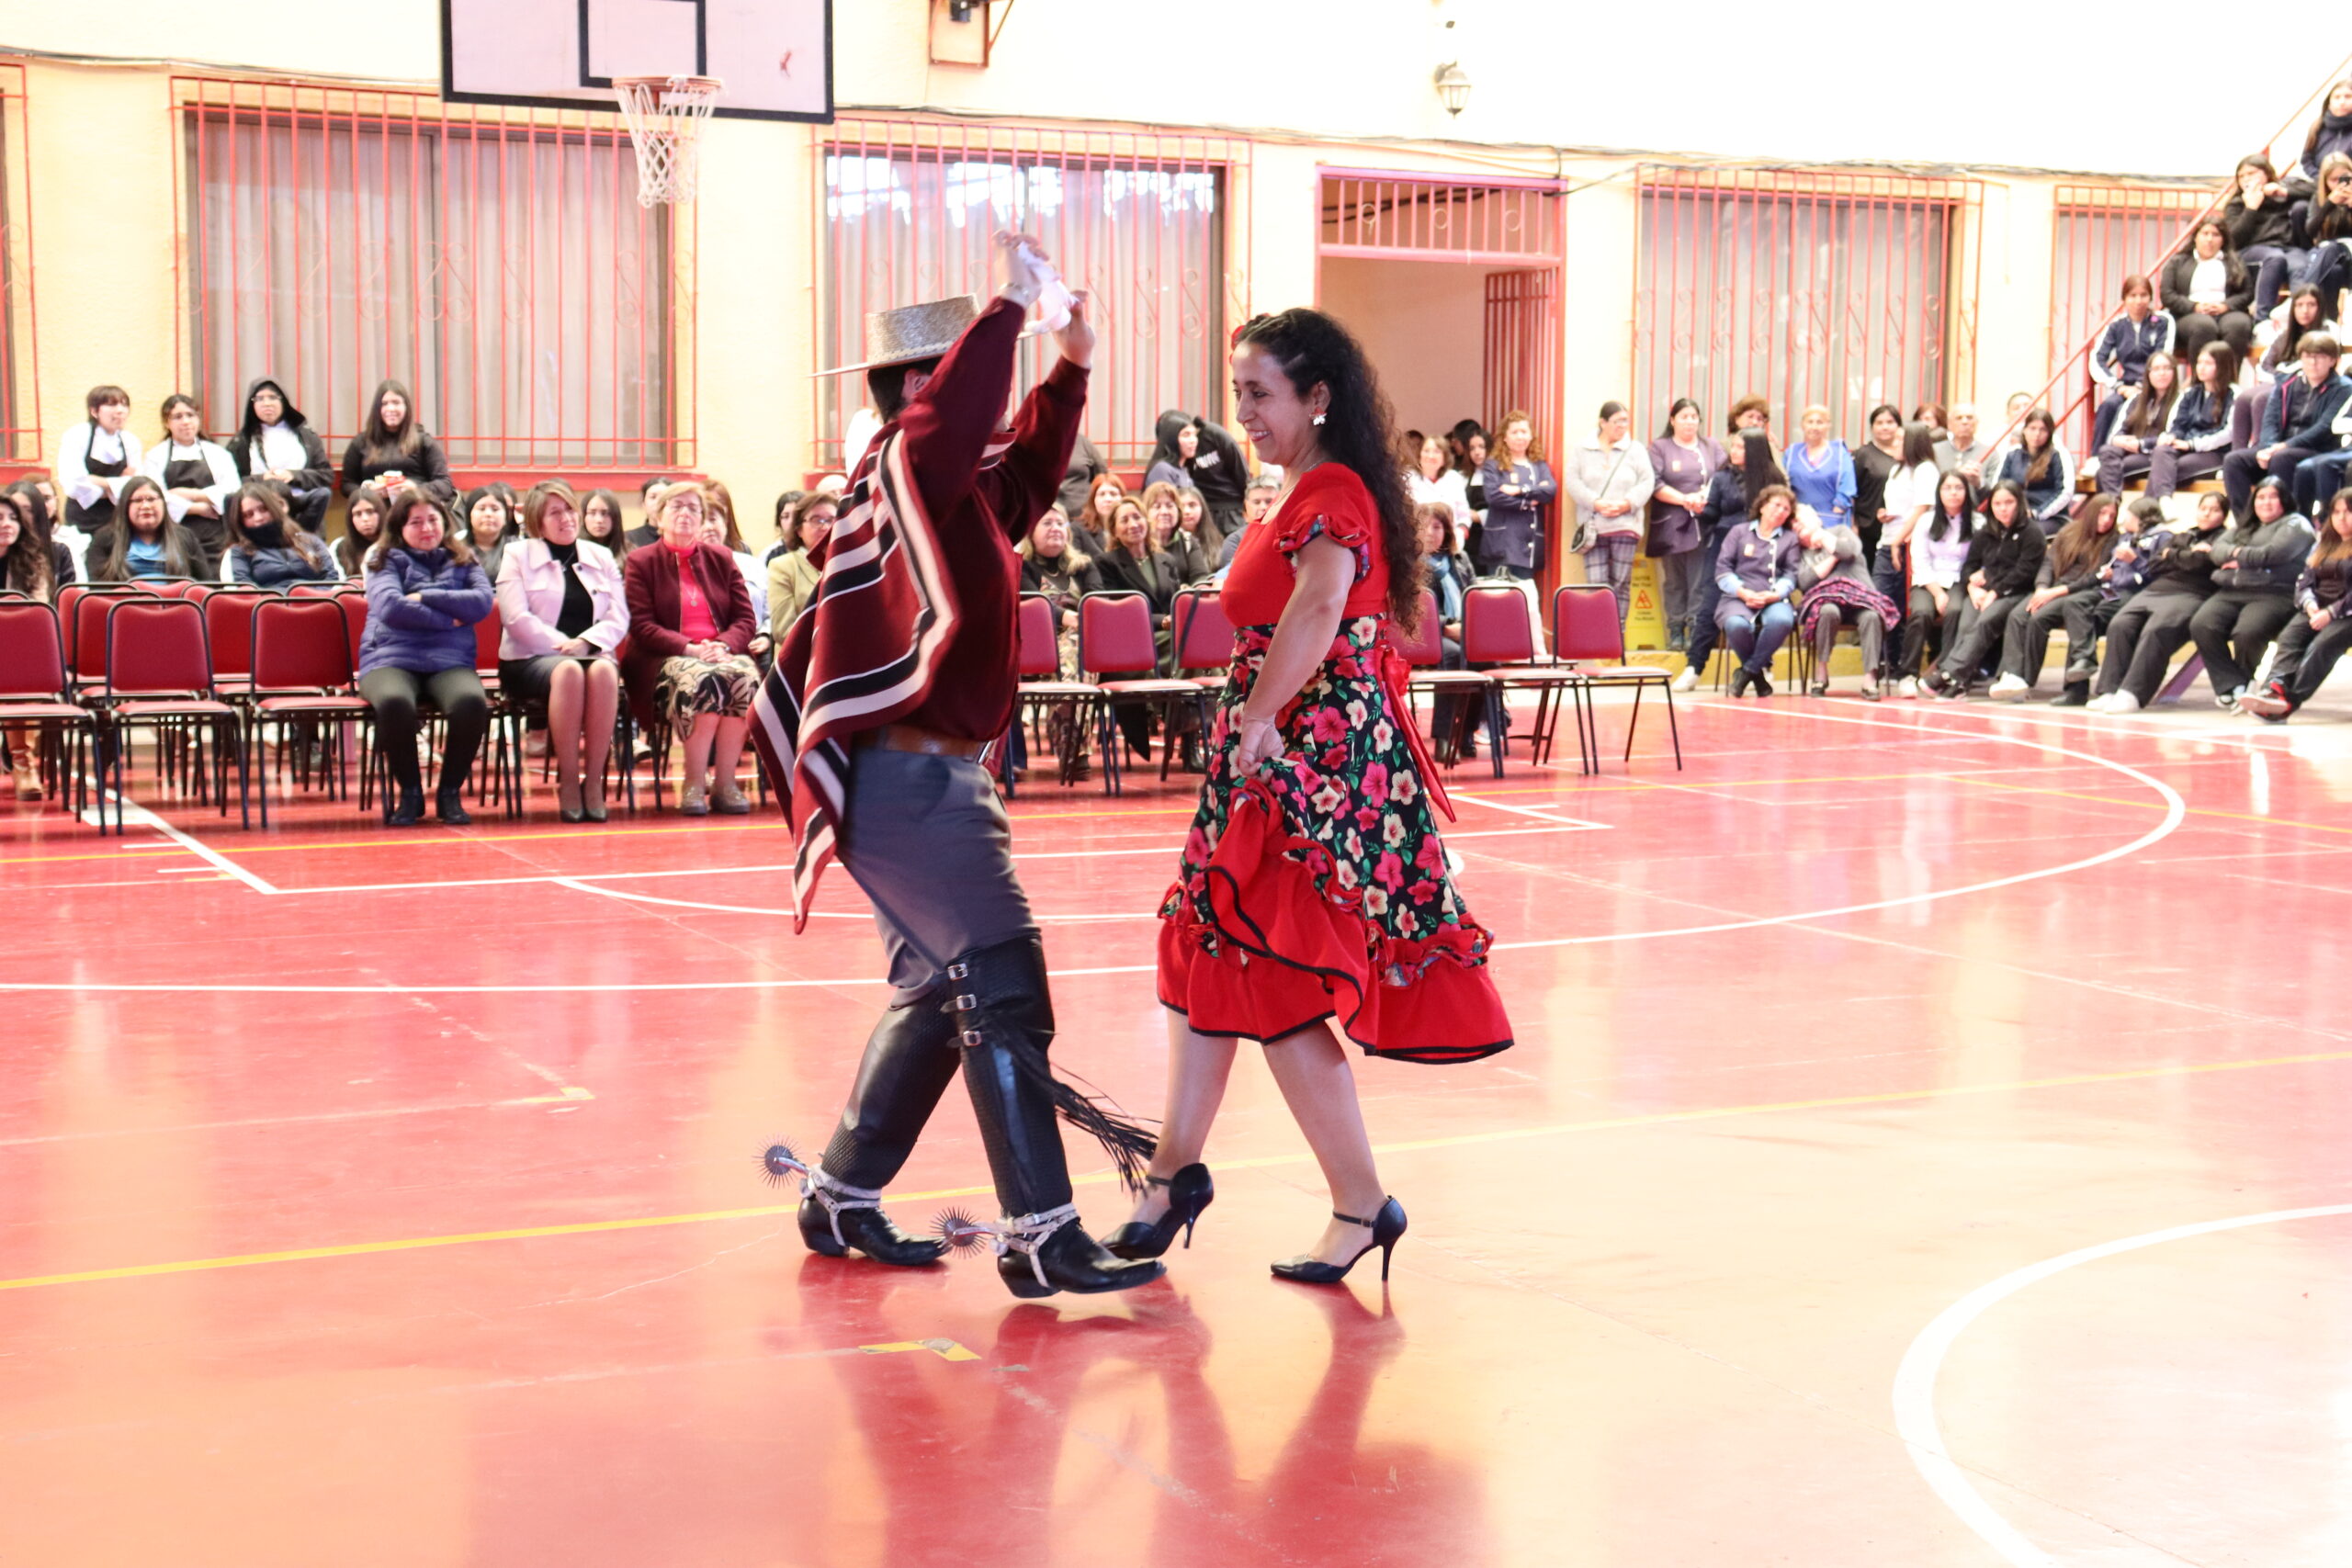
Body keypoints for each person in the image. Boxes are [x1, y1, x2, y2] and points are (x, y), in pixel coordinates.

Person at [754, 237, 1163, 1299]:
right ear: (919, 392)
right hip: (910, 781)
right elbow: (955, 419)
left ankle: (840, 1196)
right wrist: (1010, 309)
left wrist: (1073, 361)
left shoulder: (959, 492)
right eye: (963, 377)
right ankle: (1041, 1233)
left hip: (926, 777)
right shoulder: (907, 466)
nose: (991, 399)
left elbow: (1031, 461)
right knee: (1002, 973)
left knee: (943, 990)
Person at [1115, 303, 1511, 1286]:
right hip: (1274, 750)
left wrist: (1257, 720)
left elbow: (1321, 606)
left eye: (1261, 393)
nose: (1244, 412)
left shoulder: (1330, 492)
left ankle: (1318, 1198)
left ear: (1318, 396)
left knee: (1264, 965)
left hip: (1305, 760)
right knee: (1217, 948)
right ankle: (1191, 1179)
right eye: (1239, 393)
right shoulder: (1299, 489)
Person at [620, 480, 760, 816]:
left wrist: (723, 645)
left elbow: (745, 618)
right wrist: (690, 649)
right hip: (663, 657)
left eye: (694, 508)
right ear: (659, 516)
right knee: (705, 679)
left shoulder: (721, 558)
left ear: (702, 518)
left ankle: (726, 783)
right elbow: (642, 625)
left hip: (721, 653)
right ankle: (694, 781)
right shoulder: (641, 561)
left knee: (745, 678)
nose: (685, 513)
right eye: (677, 506)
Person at [495, 480, 628, 822]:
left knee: (604, 670)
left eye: (570, 509)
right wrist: (563, 646)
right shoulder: (517, 555)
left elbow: (619, 615)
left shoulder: (600, 555)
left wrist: (587, 643)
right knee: (568, 670)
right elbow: (515, 618)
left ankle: (594, 780)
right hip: (530, 658)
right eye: (555, 513)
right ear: (537, 521)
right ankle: (568, 780)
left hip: (591, 653)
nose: (567, 518)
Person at [358, 492, 493, 825]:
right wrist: (448, 618)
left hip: (449, 659)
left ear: (445, 522)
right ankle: (410, 793)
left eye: (433, 519)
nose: (427, 528)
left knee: (471, 702)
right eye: (416, 522)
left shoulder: (464, 558)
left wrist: (424, 596)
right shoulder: (382, 558)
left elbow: (482, 602)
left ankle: (449, 793)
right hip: (389, 657)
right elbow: (391, 606)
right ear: (399, 527)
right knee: (394, 702)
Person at [2087, 491, 2231, 713]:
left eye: (2214, 510)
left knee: (2156, 630)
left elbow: (2203, 564)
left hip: (2193, 593)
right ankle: (2109, 690)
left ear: (2224, 515)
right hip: (2158, 589)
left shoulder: (2225, 539)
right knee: (2121, 623)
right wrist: (2188, 554)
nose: (2207, 514)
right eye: (2203, 508)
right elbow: (2155, 564)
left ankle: (2132, 694)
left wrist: (2172, 555)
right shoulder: (2184, 536)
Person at [2189, 477, 2315, 710]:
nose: (2266, 502)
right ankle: (2232, 685)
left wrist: (2237, 556)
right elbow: (2216, 551)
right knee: (2202, 624)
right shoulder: (2245, 526)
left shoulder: (2296, 524)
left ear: (2284, 500)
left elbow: (2273, 554)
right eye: (2261, 497)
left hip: (2274, 593)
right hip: (2232, 590)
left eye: (2272, 497)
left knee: (2247, 631)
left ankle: (2244, 681)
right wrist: (2246, 555)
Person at [1990, 492, 2120, 699]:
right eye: (2102, 513)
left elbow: (2094, 578)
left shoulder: (2113, 540)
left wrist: (2056, 592)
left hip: (2077, 592)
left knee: (2038, 618)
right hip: (2052, 588)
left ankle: (2025, 680)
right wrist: (2042, 588)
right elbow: (2048, 563)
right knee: (2017, 615)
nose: (2106, 520)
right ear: (2091, 512)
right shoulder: (2069, 531)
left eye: (2111, 516)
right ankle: (2012, 675)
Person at [1673, 413, 1769, 692]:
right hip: (1724, 546)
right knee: (1709, 606)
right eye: (1733, 446)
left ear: (1754, 451)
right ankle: (1694, 667)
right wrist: (1698, 509)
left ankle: (1760, 668)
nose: (1733, 451)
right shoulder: (1722, 477)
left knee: (1759, 606)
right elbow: (1712, 514)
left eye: (1740, 447)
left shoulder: (1770, 478)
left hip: (1759, 549)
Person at [2240, 488, 2352, 718]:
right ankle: (2273, 689)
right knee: (2289, 637)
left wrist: (2330, 613)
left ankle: (2288, 702)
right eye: (2337, 512)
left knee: (2322, 646)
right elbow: (2305, 580)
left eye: (2349, 512)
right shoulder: (2323, 542)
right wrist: (2310, 604)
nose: (2341, 518)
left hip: (2346, 614)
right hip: (2316, 608)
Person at [2222, 333, 2349, 521]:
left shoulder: (2343, 388)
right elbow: (2270, 420)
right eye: (2308, 356)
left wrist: (2284, 446)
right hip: (2278, 448)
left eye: (2320, 357)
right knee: (2234, 461)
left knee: (2282, 458)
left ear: (2332, 360)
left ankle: (2284, 521)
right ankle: (2245, 523)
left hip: (2317, 448)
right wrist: (2268, 447)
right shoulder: (2287, 384)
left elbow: (2324, 427)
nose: (2313, 362)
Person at [1017, 505, 1103, 783]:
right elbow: (1032, 602)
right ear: (1031, 532)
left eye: (1060, 523)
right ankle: (1077, 752)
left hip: (1084, 642)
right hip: (1037, 643)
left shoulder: (1084, 565)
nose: (1055, 528)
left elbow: (1096, 600)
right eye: (1047, 523)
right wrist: (1066, 617)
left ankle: (1071, 741)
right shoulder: (1023, 565)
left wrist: (1079, 621)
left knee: (1077, 649)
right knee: (1074, 657)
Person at [2048, 498, 2160, 705]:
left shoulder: (2161, 538)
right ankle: (2081, 673)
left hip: (2134, 593)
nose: (2122, 519)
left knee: (2092, 621)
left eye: (2128, 515)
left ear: (2142, 519)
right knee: (2075, 607)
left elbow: (2157, 573)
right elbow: (2113, 568)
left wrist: (2134, 560)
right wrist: (2110, 572)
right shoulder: (2125, 537)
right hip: (2110, 589)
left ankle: (2102, 685)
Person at [1792, 504, 1894, 698]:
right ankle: (1821, 671)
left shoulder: (1840, 531)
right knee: (1827, 611)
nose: (1796, 525)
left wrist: (1824, 538)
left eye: (1799, 519)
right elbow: (1804, 581)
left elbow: (1849, 551)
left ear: (1816, 519)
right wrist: (1834, 558)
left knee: (1871, 617)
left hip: (1861, 597)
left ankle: (1870, 677)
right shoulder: (1799, 553)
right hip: (1827, 600)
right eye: (1792, 523)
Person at [1645, 398, 1722, 652]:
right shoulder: (1660, 447)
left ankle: (1695, 630)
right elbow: (1654, 483)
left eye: (1693, 417)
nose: (1689, 422)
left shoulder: (1711, 446)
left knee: (1700, 579)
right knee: (1675, 580)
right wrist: (1684, 499)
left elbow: (1723, 475)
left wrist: (1703, 497)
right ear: (1672, 420)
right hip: (1671, 524)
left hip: (1703, 521)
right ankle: (1676, 629)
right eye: (1684, 417)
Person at [1560, 402, 1647, 621]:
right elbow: (1573, 481)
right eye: (1617, 421)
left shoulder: (1635, 449)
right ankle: (1599, 632)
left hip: (1625, 525)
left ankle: (1618, 633)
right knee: (1596, 584)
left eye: (1625, 420)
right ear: (1603, 423)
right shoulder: (1582, 450)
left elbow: (1647, 481)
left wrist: (1627, 503)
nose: (1623, 425)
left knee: (1621, 583)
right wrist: (1595, 503)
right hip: (1594, 527)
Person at [1713, 482, 1801, 698]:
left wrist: (1775, 594)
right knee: (1736, 625)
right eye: (1776, 505)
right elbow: (1723, 569)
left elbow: (1791, 574)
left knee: (1782, 621)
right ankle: (1759, 678)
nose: (1780, 511)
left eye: (1786, 509)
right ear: (1762, 506)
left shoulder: (1789, 539)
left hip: (1773, 597)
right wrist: (1743, 592)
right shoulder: (1739, 532)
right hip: (1738, 596)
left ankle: (1747, 672)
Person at [1896, 470, 1978, 696]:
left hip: (1959, 580)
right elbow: (1920, 562)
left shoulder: (1976, 522)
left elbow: (1976, 560)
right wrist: (1938, 593)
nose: (1953, 493)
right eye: (1947, 488)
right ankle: (1908, 673)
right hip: (1928, 581)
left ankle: (1945, 672)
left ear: (1966, 492)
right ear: (1939, 492)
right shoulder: (1926, 520)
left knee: (1955, 610)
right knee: (1921, 613)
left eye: (1958, 488)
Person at [139, 394, 238, 573]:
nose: (185, 422)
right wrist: (198, 508)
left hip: (215, 535)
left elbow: (232, 491)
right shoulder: (155, 456)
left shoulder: (219, 454)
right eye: (178, 417)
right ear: (166, 423)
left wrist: (188, 494)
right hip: (173, 533)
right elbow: (155, 497)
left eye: (190, 415)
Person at [225, 377, 335, 535]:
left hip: (300, 507)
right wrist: (262, 479)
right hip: (260, 507)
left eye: (272, 397)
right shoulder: (241, 441)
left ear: (283, 401)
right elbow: (231, 482)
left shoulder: (307, 436)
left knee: (323, 495)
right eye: (260, 399)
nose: (267, 403)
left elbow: (326, 476)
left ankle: (302, 539)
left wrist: (293, 475)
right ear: (252, 404)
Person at [0, 499, 58, 798]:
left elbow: (36, 616)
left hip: (16, 652)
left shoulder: (33, 563)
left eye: (13, 518)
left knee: (20, 674)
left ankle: (23, 763)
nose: (7, 524)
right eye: (0, 518)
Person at [2086, 276, 2174, 454]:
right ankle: (2096, 457)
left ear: (2150, 298)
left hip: (2155, 387)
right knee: (2108, 406)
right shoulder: (2116, 326)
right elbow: (2097, 358)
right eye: (2133, 296)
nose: (2138, 301)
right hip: (2126, 386)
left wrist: (2144, 386)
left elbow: (2163, 356)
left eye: (2143, 295)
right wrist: (2118, 386)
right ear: (2124, 299)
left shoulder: (2163, 321)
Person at [1482, 407, 1566, 585]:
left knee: (1524, 597)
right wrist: (1528, 502)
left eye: (1524, 432)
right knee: (1500, 596)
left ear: (1531, 435)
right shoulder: (1493, 465)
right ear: (1505, 437)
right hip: (1501, 545)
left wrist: (1520, 490)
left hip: (1528, 545)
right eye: (1514, 432)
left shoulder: (1538, 465)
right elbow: (1493, 496)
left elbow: (1550, 490)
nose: (1520, 437)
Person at [339, 379, 454, 506]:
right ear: (377, 409)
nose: (391, 409)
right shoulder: (360, 442)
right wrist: (367, 492)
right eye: (384, 404)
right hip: (375, 510)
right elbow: (347, 484)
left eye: (396, 403)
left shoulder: (424, 441)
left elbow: (445, 485)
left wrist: (415, 489)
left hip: (415, 508)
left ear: (406, 407)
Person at [2160, 217, 2256, 367]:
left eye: (2216, 235)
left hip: (2227, 312)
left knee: (2238, 325)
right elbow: (2167, 294)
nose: (2210, 239)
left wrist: (2226, 306)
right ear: (2195, 237)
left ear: (2223, 239)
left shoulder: (2235, 261)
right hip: (2189, 315)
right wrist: (2194, 307)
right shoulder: (2178, 262)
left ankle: (2230, 377)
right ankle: (2200, 379)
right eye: (2205, 234)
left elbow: (2247, 292)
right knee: (2204, 326)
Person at [2148, 344, 2238, 500]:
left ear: (2223, 365)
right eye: (2199, 362)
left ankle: (2151, 507)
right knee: (2161, 451)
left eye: (2208, 363)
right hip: (2185, 446)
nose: (2201, 368)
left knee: (2167, 469)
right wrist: (2172, 437)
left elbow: (2228, 433)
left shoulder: (2233, 393)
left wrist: (2192, 444)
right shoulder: (2191, 392)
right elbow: (2177, 424)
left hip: (2215, 452)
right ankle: (2162, 502)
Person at [1146, 409, 1250, 538]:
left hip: (1229, 513)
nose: (1193, 440)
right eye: (1186, 435)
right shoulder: (1163, 470)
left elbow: (1242, 473)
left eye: (1194, 434)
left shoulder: (1185, 466)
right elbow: (1164, 512)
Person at [2090, 350, 2181, 492]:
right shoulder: (2136, 399)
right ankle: (2111, 501)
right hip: (2129, 449)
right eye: (2156, 369)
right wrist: (2120, 440)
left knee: (2104, 472)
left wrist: (2140, 444)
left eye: (2166, 368)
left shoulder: (2181, 400)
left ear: (2174, 372)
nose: (2161, 373)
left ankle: (2110, 502)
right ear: (2148, 373)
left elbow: (2171, 436)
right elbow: (2115, 434)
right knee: (2107, 450)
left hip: (2154, 454)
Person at [59, 385, 141, 542]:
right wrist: (117, 485)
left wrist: (95, 480)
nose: (120, 410)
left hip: (118, 517)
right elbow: (73, 483)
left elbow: (135, 485)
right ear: (94, 411)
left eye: (124, 405)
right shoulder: (77, 435)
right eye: (112, 405)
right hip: (82, 518)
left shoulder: (131, 441)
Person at [2227, 155, 2304, 320]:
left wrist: (2282, 191)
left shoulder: (2281, 192)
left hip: (2286, 248)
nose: (2246, 179)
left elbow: (2316, 189)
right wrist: (2251, 208)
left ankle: (2298, 319)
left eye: (2251, 173)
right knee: (2274, 258)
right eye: (2241, 176)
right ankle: (2262, 318)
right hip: (2252, 250)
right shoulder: (2236, 203)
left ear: (2267, 174)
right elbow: (2234, 240)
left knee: (2300, 263)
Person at [86, 477, 200, 582]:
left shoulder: (184, 536)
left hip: (176, 597)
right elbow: (97, 587)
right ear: (125, 506)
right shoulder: (105, 538)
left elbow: (204, 584)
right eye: (137, 500)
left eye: (151, 499)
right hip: (125, 598)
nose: (146, 506)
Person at [699, 481, 769, 650]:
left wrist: (766, 635)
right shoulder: (683, 568)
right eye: (702, 520)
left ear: (725, 521)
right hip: (705, 647)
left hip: (751, 643)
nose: (709, 527)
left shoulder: (751, 564)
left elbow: (769, 611)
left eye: (714, 518)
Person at [224, 483, 337, 587]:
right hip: (269, 601)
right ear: (240, 521)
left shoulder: (309, 540)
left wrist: (315, 598)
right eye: (249, 515)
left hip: (316, 599)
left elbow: (331, 577)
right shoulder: (240, 551)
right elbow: (244, 588)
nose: (258, 518)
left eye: (263, 509)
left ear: (274, 508)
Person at [765, 490, 837, 643]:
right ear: (799, 530)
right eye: (816, 520)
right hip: (803, 653)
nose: (825, 527)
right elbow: (783, 630)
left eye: (831, 520)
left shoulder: (845, 563)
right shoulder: (783, 566)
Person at [1993, 408, 2076, 534]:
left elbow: (2065, 492)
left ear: (2050, 433)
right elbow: (1998, 486)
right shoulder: (2012, 454)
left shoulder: (2059, 455)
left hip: (2050, 517)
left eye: (2043, 430)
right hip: (2014, 514)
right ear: (2024, 430)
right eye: (2032, 428)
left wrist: (2037, 513)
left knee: (2028, 533)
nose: (2037, 434)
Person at [2289, 153, 2352, 303]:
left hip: (2348, 249)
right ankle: (2323, 313)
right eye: (2334, 180)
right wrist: (2329, 204)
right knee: (2333, 271)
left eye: (2344, 178)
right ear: (2325, 181)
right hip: (2326, 250)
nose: (2340, 184)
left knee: (2333, 249)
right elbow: (2310, 231)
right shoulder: (2320, 198)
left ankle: (2299, 300)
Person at [1783, 404, 1856, 532]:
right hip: (1799, 520)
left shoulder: (1839, 452)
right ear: (1802, 425)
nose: (1814, 427)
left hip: (1832, 520)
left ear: (1828, 425)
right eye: (1810, 422)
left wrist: (1839, 508)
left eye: (1820, 422)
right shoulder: (1792, 452)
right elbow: (1782, 483)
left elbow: (1848, 484)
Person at [1849, 403, 1903, 560]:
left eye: (1890, 422)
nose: (1885, 427)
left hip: (1900, 528)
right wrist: (1853, 525)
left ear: (1899, 426)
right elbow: (1852, 492)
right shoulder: (1863, 454)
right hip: (1868, 529)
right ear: (1872, 427)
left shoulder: (1906, 455)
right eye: (1879, 423)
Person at [2283, 78, 2352, 197]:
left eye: (2348, 97)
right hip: (2318, 184)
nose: (2342, 102)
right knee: (2298, 205)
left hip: (2348, 186)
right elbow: (2306, 160)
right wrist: (2323, 180)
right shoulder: (2318, 127)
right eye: (2337, 97)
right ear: (2329, 103)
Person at [1406, 430, 1471, 549]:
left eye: (1436, 452)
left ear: (1445, 457)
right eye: (1426, 451)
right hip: (1416, 544)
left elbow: (1464, 516)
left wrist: (1460, 534)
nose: (1430, 456)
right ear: (1420, 455)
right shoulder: (1409, 478)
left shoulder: (1454, 478)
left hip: (1449, 545)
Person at [1218, 471, 1279, 575]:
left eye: (1269, 501)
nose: (1263, 507)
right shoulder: (1234, 541)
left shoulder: (1291, 537)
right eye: (1256, 502)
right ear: (1246, 505)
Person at [458, 486, 516, 586]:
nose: (488, 514)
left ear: (506, 517)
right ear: (469, 515)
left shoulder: (517, 547)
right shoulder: (455, 548)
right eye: (482, 509)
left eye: (495, 509)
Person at [334, 484, 390, 578]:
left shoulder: (395, 542)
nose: (365, 519)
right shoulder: (340, 547)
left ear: (381, 513)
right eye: (358, 514)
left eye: (370, 512)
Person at [1932, 403, 1992, 487]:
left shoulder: (1990, 453)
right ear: (1949, 424)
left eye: (1969, 418)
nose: (1964, 422)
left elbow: (1994, 488)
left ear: (1976, 423)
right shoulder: (1934, 451)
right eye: (1959, 418)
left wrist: (1978, 483)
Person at [1055, 427, 1107, 524]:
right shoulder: (1037, 443)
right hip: (1051, 518)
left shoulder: (1082, 442)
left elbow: (1102, 475)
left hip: (1083, 518)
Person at [1074, 471, 1124, 553]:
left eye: (1113, 494)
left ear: (1122, 498)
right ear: (1093, 500)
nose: (1108, 499)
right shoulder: (1077, 530)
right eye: (1102, 494)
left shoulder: (1129, 529)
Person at [581, 489, 630, 563]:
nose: (599, 520)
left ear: (615, 517)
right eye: (592, 513)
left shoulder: (630, 552)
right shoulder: (575, 551)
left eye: (605, 513)